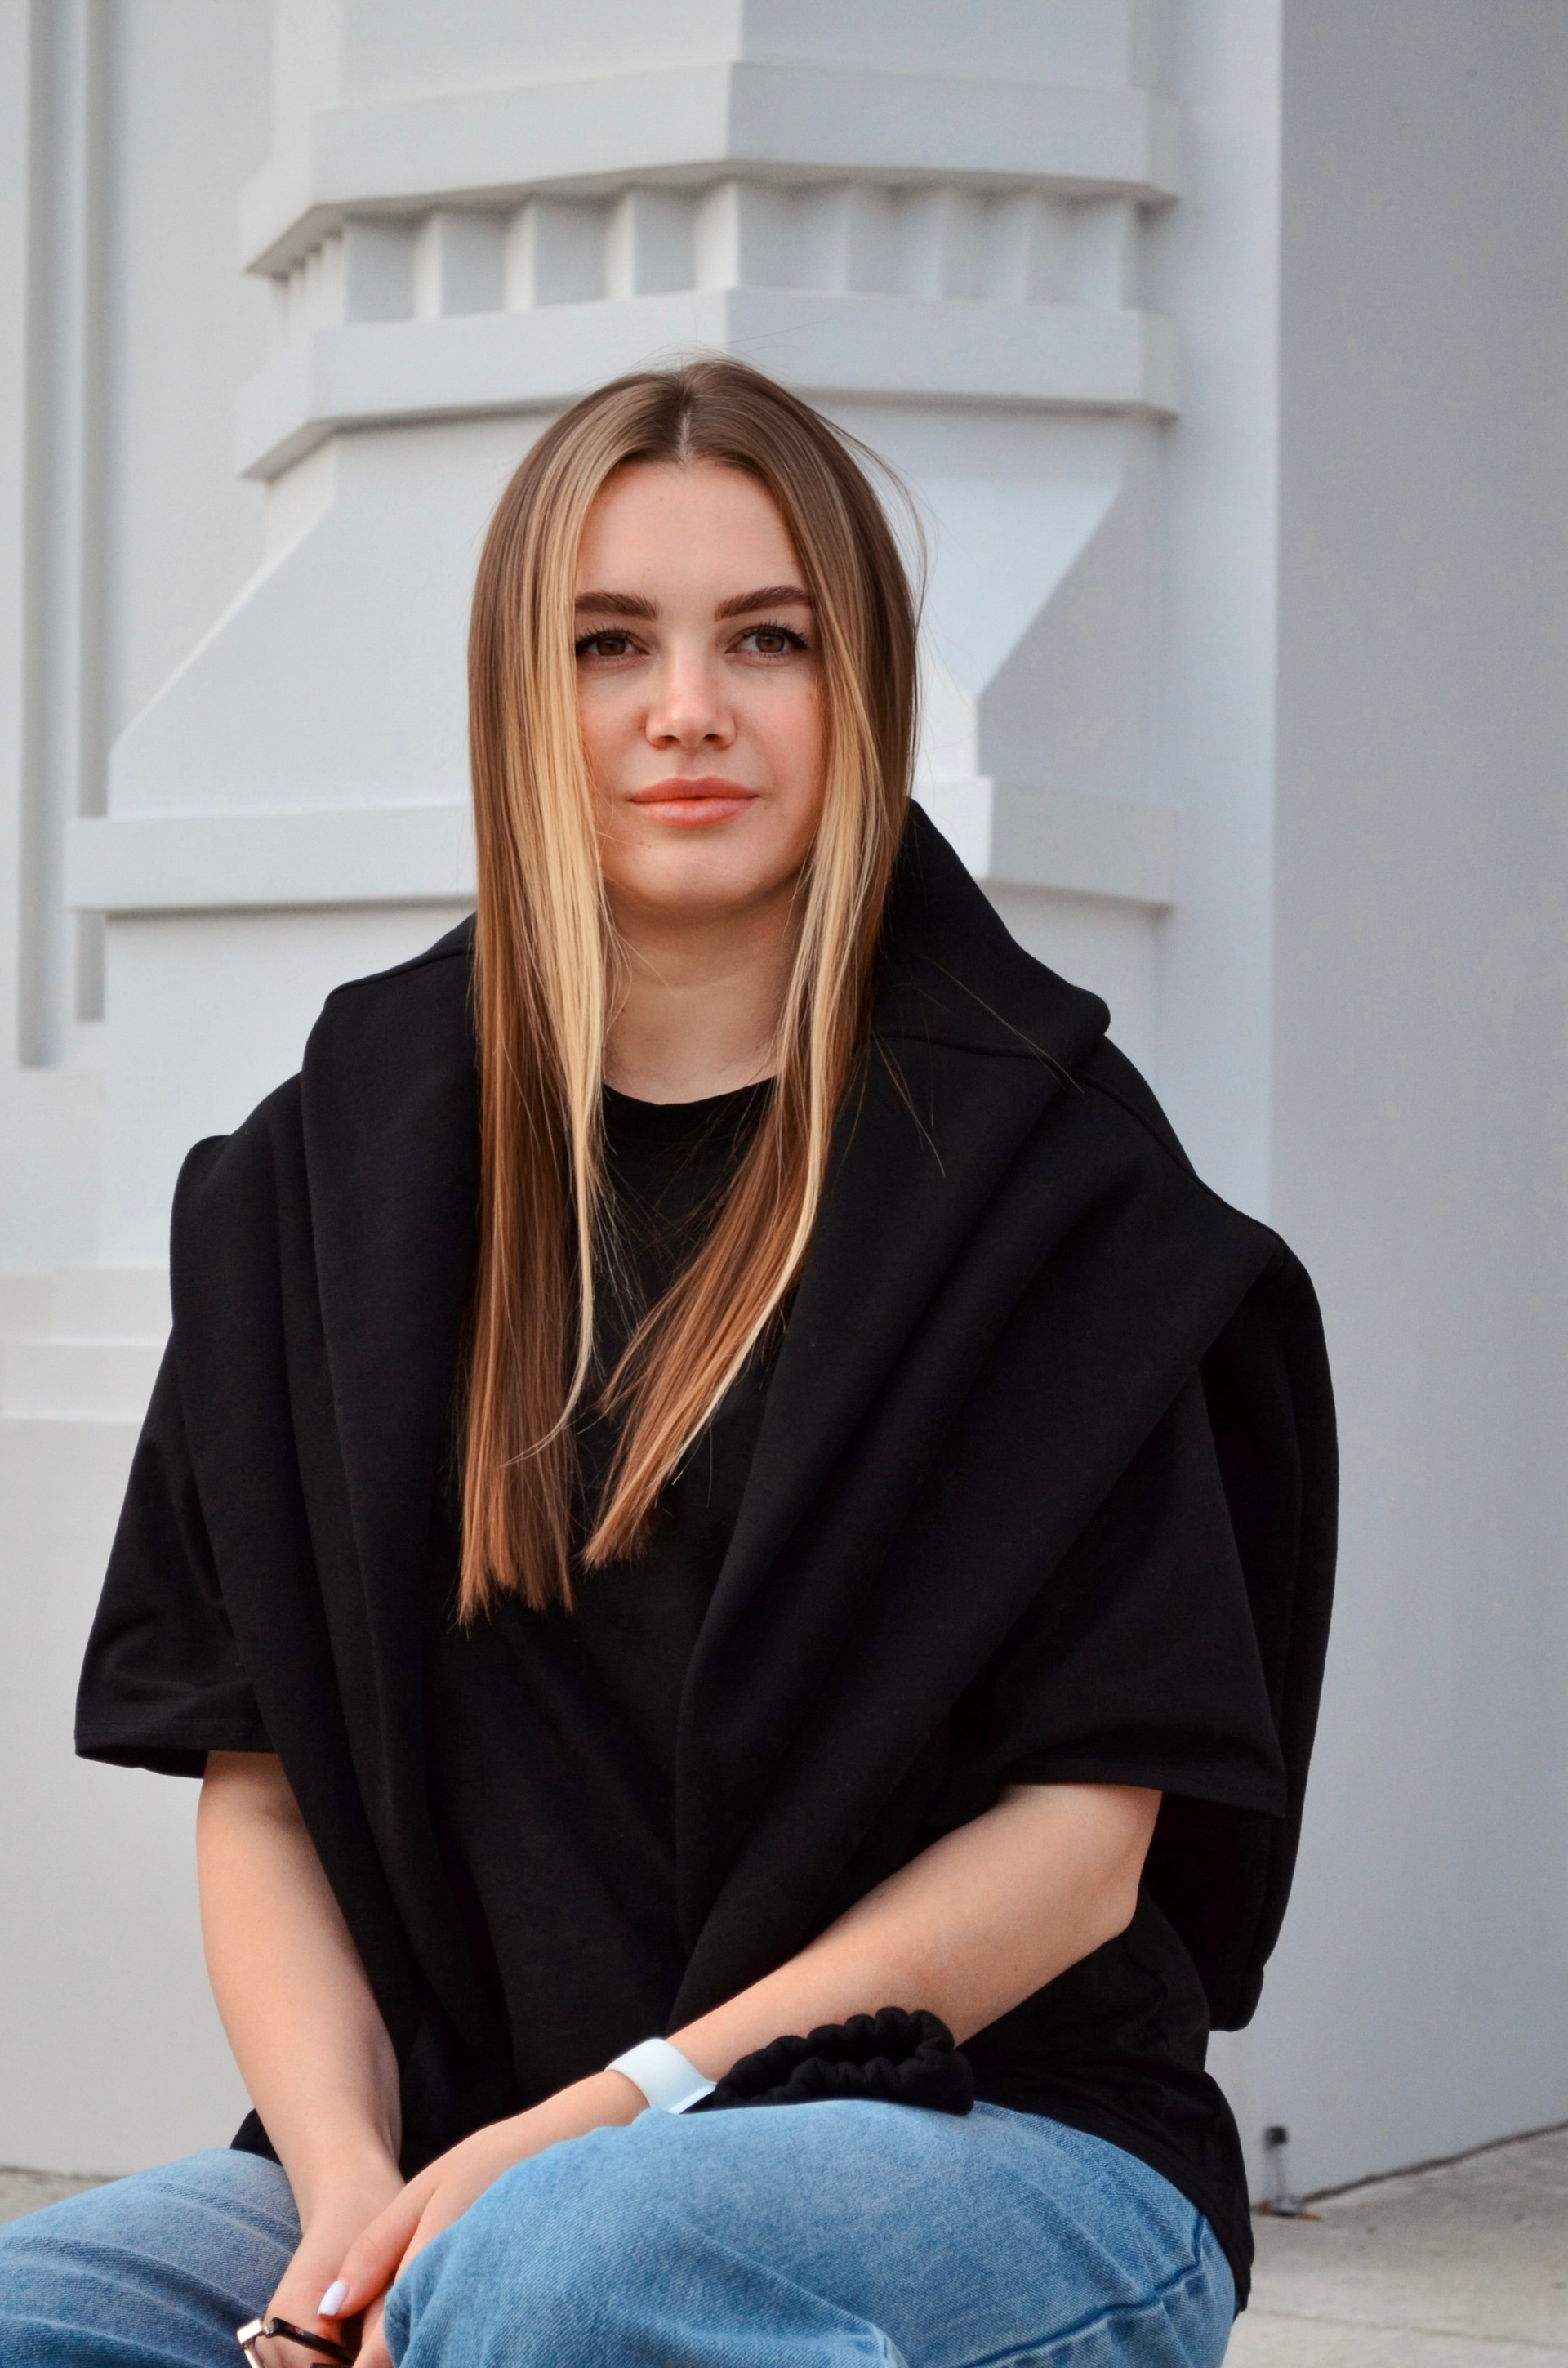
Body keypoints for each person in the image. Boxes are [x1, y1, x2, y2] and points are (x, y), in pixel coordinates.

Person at [0, 359, 1335, 2368]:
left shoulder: (1044, 1179)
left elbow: (1081, 1853)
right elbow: (257, 1784)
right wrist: (352, 2195)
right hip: (453, 2138)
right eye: (608, 641)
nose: (687, 707)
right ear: (516, 697)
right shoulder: (328, 1174)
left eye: (767, 640)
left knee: (563, 2279)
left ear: (862, 687)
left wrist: (595, 2128)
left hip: (983, 2131)